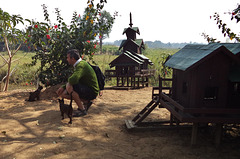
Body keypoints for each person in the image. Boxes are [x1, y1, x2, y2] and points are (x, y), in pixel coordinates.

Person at [56, 49, 99, 117]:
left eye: (67, 57)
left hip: (92, 91)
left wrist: (65, 86)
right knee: (63, 94)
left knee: (69, 86)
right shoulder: (79, 65)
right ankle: (86, 102)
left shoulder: (81, 65)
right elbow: (74, 79)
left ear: (72, 58)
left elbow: (73, 80)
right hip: (88, 89)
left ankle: (82, 110)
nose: (67, 59)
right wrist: (64, 86)